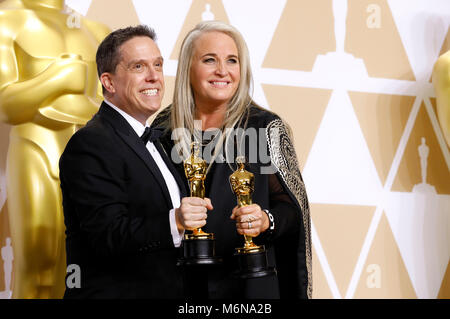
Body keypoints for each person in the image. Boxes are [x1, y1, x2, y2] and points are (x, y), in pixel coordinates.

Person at [152, 21, 312, 299]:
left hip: (248, 286)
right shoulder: (163, 129)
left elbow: (292, 210)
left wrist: (265, 220)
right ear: (188, 68)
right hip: (183, 284)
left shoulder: (265, 128)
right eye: (209, 60)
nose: (222, 71)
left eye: (232, 61)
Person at [59, 25, 212, 298]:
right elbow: (105, 236)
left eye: (157, 65)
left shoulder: (156, 140)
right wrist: (175, 220)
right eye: (139, 67)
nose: (154, 77)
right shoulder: (91, 143)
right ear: (109, 82)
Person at [0, 0, 110, 298]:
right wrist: (56, 79)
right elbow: (5, 104)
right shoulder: (7, 20)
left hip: (98, 159)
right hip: (38, 147)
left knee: (97, 268)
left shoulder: (97, 31)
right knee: (40, 267)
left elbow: (119, 109)